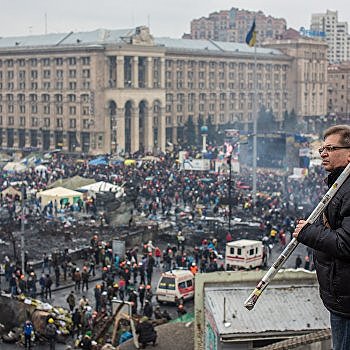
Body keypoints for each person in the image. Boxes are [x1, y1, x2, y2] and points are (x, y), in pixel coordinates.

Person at [293, 125, 350, 350]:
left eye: (330, 148)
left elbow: (346, 243)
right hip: (341, 298)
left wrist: (308, 232)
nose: (323, 153)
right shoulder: (339, 184)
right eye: (322, 149)